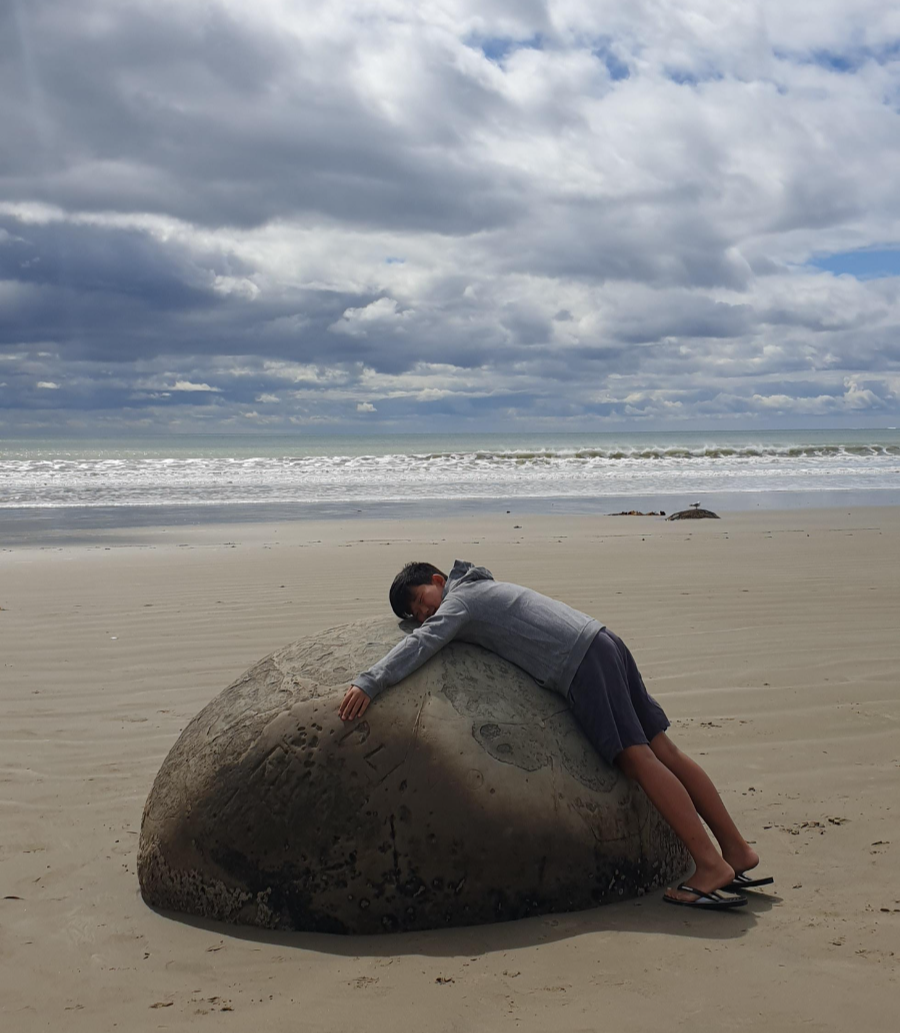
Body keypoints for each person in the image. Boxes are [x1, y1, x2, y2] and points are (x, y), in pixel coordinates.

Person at [339, 559, 772, 910]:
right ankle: (736, 851)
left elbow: (424, 642)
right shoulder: (483, 588)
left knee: (637, 759)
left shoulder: (461, 599)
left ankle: (711, 865)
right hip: (602, 640)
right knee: (665, 751)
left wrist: (370, 681)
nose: (423, 614)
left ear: (438, 580)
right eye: (414, 614)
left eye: (420, 601)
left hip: (580, 662)